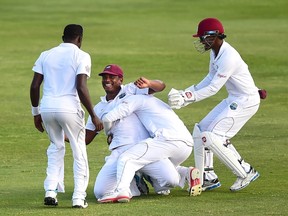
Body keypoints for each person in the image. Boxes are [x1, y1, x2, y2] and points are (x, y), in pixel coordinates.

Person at [168, 17, 264, 192]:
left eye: (202, 37)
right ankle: (207, 177)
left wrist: (188, 98)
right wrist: (186, 92)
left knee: (213, 136)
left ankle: (245, 172)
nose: (200, 41)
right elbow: (209, 78)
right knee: (201, 130)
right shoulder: (215, 52)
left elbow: (213, 88)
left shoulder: (229, 57)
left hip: (246, 101)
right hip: (235, 98)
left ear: (213, 36)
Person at [85, 64, 186, 200]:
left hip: (144, 148)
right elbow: (86, 138)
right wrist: (59, 134)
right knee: (101, 192)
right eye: (104, 77)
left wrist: (149, 83)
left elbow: (161, 86)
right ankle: (135, 184)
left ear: (120, 79)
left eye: (111, 77)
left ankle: (174, 171)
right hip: (119, 151)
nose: (107, 80)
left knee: (170, 181)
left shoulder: (131, 90)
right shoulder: (98, 108)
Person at [30, 24, 102, 208]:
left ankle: (51, 191)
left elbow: (35, 86)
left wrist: (36, 113)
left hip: (47, 108)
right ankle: (78, 197)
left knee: (56, 147)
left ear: (63, 37)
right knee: (79, 152)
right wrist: (94, 115)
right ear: (80, 39)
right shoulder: (82, 55)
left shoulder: (46, 54)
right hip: (69, 108)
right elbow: (81, 86)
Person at [99, 94, 202, 203]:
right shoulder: (156, 101)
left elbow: (107, 118)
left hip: (167, 139)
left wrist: (109, 133)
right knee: (160, 185)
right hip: (186, 145)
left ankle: (121, 190)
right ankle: (184, 172)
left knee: (127, 158)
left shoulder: (135, 98)